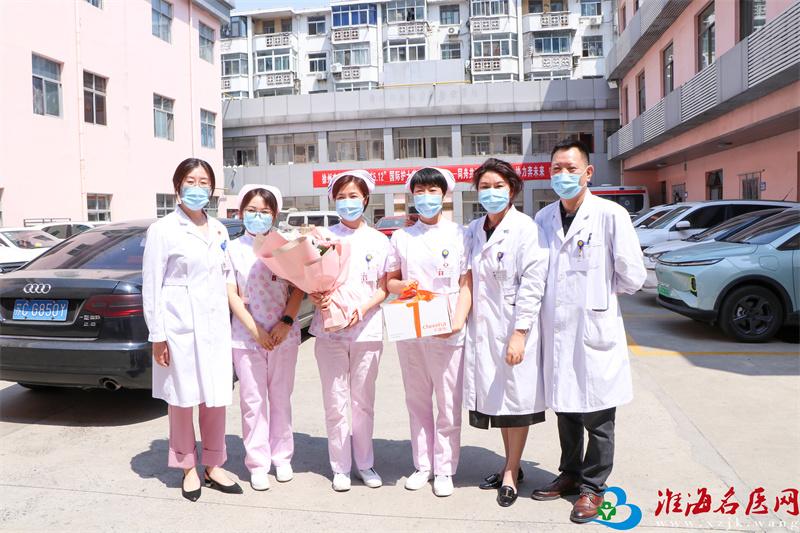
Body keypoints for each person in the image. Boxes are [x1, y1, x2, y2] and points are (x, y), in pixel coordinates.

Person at [532, 140, 646, 523]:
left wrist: (597, 295)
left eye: (571, 168)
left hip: (594, 326)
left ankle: (593, 486)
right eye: (556, 169)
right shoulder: (543, 218)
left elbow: (632, 275)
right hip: (557, 328)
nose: (563, 175)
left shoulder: (611, 215)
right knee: (565, 408)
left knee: (598, 415)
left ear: (588, 172)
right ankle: (569, 473)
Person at [142, 158, 242, 501]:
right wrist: (157, 334)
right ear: (177, 187)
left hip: (215, 324)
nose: (197, 188)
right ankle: (187, 467)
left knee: (215, 396)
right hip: (179, 325)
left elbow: (226, 276)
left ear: (212, 189)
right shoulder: (163, 230)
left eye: (204, 182)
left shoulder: (218, 229)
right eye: (191, 181)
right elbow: (151, 284)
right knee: (182, 399)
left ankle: (214, 464)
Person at [462, 158, 549, 507]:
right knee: (500, 401)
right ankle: (510, 464)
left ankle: (511, 471)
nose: (492, 193)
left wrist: (520, 333)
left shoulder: (526, 229)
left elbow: (533, 284)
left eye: (499, 186)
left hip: (514, 327)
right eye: (485, 187)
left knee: (516, 402)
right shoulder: (474, 229)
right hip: (484, 329)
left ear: (512, 190)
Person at [386, 167, 472, 498]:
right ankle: (423, 465)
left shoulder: (461, 234)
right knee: (417, 398)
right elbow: (390, 281)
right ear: (412, 196)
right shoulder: (402, 237)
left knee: (448, 401)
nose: (426, 197)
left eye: (432, 191)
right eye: (420, 191)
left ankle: (445, 468)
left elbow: (466, 282)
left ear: (444, 194)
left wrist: (458, 321)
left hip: (447, 326)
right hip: (412, 326)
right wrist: (402, 286)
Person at [309, 170, 390, 492]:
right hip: (330, 331)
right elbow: (309, 279)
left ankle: (365, 463)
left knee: (363, 402)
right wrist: (315, 295)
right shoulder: (323, 238)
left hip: (366, 330)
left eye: (353, 196)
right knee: (335, 401)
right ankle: (340, 467)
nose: (347, 202)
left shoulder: (379, 241)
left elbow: (384, 286)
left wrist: (365, 307)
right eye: (341, 197)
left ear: (365, 199)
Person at [226, 184, 304, 491]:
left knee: (281, 397)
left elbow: (299, 289)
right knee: (253, 400)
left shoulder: (286, 247)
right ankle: (257, 463)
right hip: (246, 337)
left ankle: (282, 457)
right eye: (252, 210)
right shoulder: (232, 249)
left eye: (264, 211)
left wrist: (285, 323)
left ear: (275, 214)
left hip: (284, 335)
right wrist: (255, 331)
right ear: (241, 212)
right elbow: (231, 293)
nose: (257, 216)